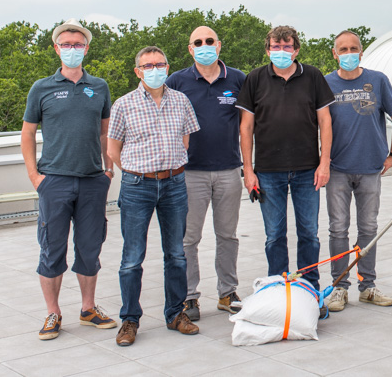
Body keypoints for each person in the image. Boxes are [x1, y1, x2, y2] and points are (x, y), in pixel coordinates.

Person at [21, 19, 116, 340]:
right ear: (56, 48)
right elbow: (28, 133)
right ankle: (53, 313)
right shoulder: (41, 88)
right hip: (55, 181)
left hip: (92, 181)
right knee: (52, 249)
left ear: (86, 48)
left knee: (90, 248)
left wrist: (108, 170)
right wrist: (36, 177)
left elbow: (106, 131)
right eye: (66, 44)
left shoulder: (99, 86)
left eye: (78, 44)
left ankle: (88, 308)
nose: (72, 49)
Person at [107, 46, 201, 347]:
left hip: (174, 183)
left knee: (176, 253)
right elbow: (113, 149)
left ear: (167, 67)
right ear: (138, 71)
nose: (154, 70)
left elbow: (185, 139)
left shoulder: (181, 101)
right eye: (148, 66)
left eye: (159, 65)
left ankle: (175, 314)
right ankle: (130, 320)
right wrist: (137, 171)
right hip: (138, 186)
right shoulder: (124, 104)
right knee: (132, 258)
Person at [236, 25, 334, 292]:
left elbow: (325, 122)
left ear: (296, 49)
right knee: (274, 236)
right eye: (276, 47)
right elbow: (246, 127)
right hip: (268, 171)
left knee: (309, 235)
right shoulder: (255, 79)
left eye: (287, 46)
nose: (281, 51)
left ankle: (309, 288)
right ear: (268, 50)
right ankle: (278, 288)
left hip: (307, 171)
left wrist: (324, 163)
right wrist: (248, 170)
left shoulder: (313, 76)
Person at [166, 26, 247, 321]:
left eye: (209, 41)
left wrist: (250, 167)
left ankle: (228, 292)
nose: (204, 46)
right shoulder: (177, 80)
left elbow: (248, 125)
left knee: (227, 235)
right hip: (190, 173)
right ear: (190, 49)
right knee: (189, 239)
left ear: (219, 45)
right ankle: (189, 297)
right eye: (198, 42)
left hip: (228, 169)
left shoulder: (238, 79)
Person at [324, 30, 392, 311]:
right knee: (338, 230)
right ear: (334, 53)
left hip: (371, 169)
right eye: (342, 49)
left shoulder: (378, 80)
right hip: (337, 170)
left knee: (368, 228)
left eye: (353, 48)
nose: (348, 53)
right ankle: (339, 287)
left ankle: (368, 285)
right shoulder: (325, 84)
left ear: (361, 52)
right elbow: (319, 125)